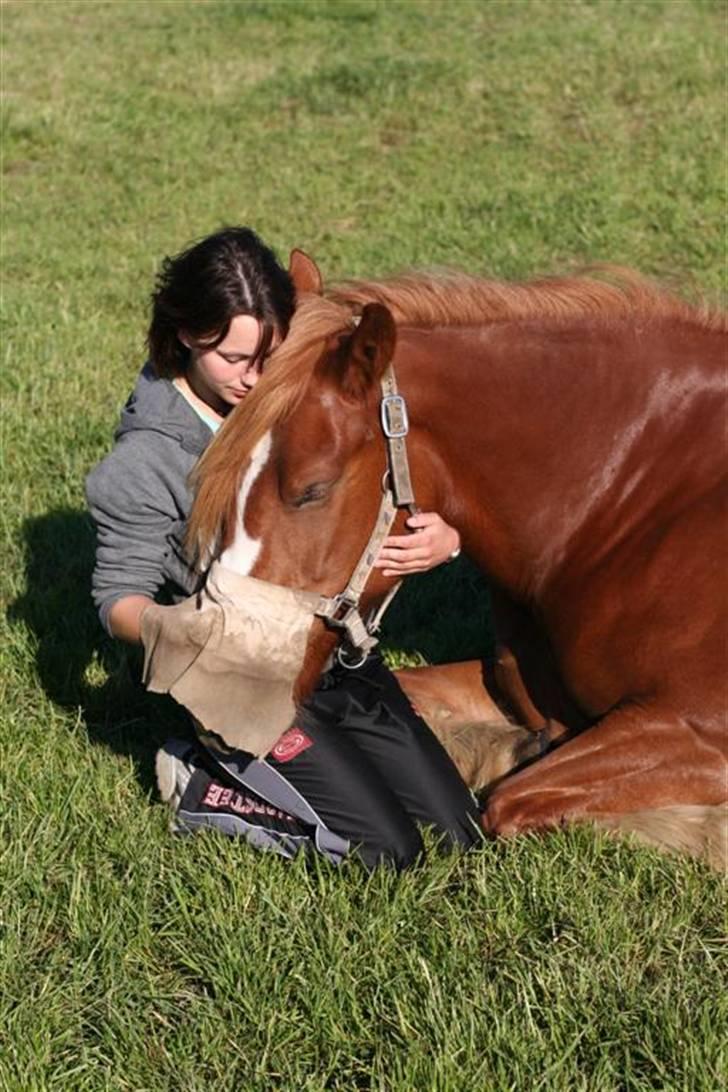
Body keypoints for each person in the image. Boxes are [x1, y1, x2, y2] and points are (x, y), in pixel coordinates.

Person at [86, 226, 481, 870]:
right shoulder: (145, 462)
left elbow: (361, 486)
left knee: (461, 830)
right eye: (234, 359)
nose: (255, 377)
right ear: (186, 334)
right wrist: (178, 631)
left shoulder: (284, 391)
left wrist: (445, 535)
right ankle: (202, 785)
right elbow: (113, 598)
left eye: (267, 354)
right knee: (387, 852)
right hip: (243, 682)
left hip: (334, 659)